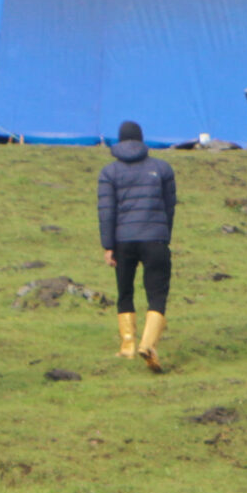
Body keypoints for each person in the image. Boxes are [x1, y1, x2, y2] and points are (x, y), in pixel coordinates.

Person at [97, 119, 177, 371]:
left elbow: (106, 212)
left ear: (119, 142)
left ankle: (127, 346)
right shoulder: (162, 169)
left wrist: (108, 245)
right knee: (156, 294)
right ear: (142, 140)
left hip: (123, 241)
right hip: (155, 238)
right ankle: (148, 344)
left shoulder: (109, 173)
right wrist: (164, 236)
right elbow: (169, 207)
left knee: (125, 292)